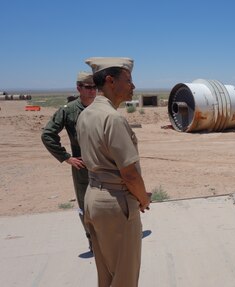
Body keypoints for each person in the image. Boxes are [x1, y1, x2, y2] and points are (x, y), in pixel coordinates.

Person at [76, 57, 151, 287]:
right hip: (116, 205)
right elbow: (129, 173)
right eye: (128, 80)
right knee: (125, 277)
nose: (133, 86)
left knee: (107, 275)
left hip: (93, 199)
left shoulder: (86, 114)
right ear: (110, 81)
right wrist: (142, 198)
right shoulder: (113, 119)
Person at [41, 71, 97, 251]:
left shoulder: (101, 108)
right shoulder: (68, 110)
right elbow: (48, 135)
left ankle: (109, 239)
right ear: (79, 88)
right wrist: (66, 158)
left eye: (95, 87)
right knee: (86, 206)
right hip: (83, 168)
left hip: (106, 166)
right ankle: (92, 240)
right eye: (88, 87)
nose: (92, 91)